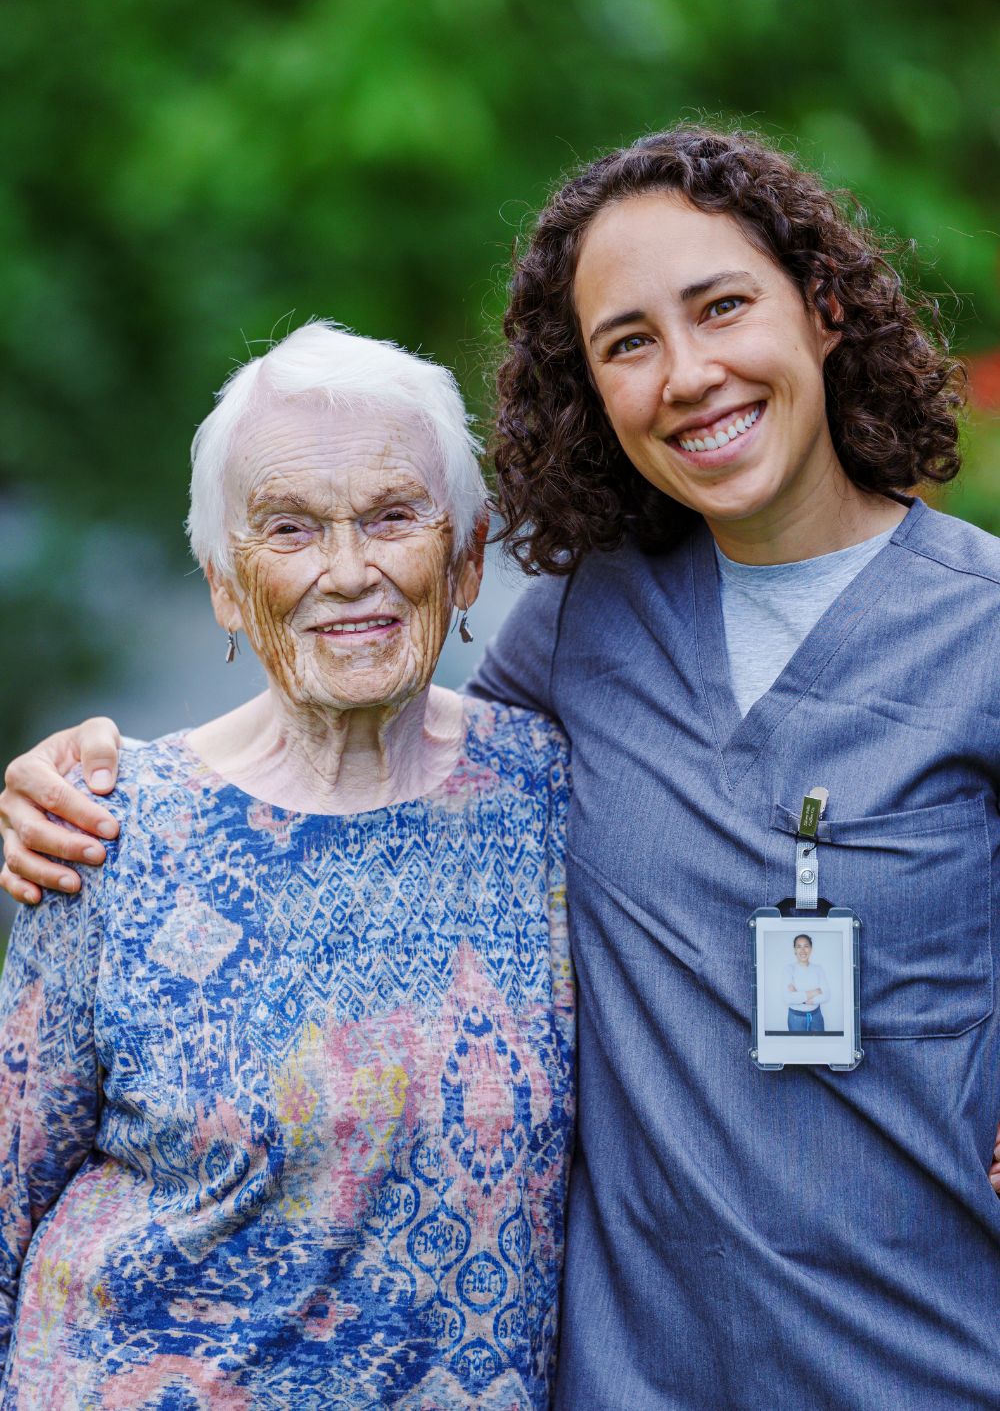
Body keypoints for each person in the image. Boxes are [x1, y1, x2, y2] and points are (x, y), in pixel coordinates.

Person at [4, 125, 1000, 1408]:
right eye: (627, 342)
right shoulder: (579, 639)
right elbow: (362, 736)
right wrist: (87, 769)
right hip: (636, 1378)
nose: (688, 373)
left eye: (722, 307)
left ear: (823, 311)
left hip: (929, 1364)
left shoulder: (981, 634)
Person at [0, 322, 574, 1409]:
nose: (348, 571)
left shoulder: (547, 787)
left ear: (464, 559)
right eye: (290, 530)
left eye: (394, 516)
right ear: (225, 584)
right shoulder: (105, 825)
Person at [784, 933, 829, 1032]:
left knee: (820, 1046)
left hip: (816, 1016)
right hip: (796, 1018)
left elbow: (826, 995)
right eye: (799, 946)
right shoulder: (789, 969)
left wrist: (800, 996)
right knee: (798, 1047)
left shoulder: (818, 969)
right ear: (795, 950)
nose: (803, 950)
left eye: (806, 946)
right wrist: (815, 992)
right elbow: (788, 998)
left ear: (811, 949)